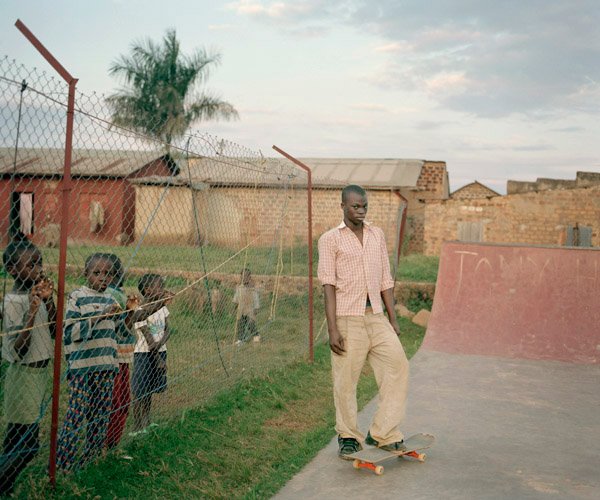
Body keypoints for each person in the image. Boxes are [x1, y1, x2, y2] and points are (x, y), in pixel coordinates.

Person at [317, 184, 409, 459]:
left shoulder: (376, 234)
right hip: (347, 318)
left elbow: (385, 279)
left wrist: (392, 319)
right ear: (343, 206)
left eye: (364, 206)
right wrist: (333, 328)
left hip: (376, 316)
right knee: (346, 380)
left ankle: (383, 432)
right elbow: (328, 285)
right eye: (356, 206)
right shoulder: (330, 239)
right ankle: (348, 436)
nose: (361, 211)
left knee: (398, 366)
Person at [0, 234, 56, 495]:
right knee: (27, 444)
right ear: (12, 269)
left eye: (39, 263)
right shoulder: (13, 302)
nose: (38, 270)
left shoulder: (36, 294)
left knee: (15, 439)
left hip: (39, 374)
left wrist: (48, 301)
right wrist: (32, 310)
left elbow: (55, 331)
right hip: (24, 374)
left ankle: (6, 485)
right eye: (30, 265)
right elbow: (18, 350)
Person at [56, 253, 122, 471]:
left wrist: (130, 313)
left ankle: (90, 459)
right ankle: (63, 463)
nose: (103, 278)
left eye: (108, 274)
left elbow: (121, 330)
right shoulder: (77, 297)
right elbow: (69, 332)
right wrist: (98, 317)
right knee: (76, 414)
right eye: (97, 273)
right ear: (86, 274)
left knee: (100, 414)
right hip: (82, 369)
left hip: (105, 367)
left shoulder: (112, 300)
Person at [104, 254, 138, 448]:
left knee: (119, 397)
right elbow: (124, 326)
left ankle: (111, 436)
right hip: (118, 356)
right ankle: (111, 438)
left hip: (119, 355)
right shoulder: (115, 295)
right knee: (118, 398)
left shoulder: (118, 293)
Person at [131, 274, 170, 433]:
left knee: (149, 390)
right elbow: (147, 337)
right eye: (159, 287)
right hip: (144, 354)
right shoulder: (140, 310)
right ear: (147, 290)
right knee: (140, 390)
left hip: (160, 350)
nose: (162, 290)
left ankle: (146, 420)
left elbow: (168, 329)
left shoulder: (162, 308)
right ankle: (137, 425)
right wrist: (157, 357)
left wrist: (160, 344)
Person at [232, 268, 260, 345]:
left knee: (250, 323)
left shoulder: (252, 289)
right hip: (241, 309)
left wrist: (256, 308)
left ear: (249, 278)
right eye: (242, 276)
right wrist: (235, 307)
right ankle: (241, 338)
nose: (243, 278)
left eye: (246, 276)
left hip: (249, 309)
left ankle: (256, 334)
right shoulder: (239, 288)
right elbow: (236, 299)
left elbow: (256, 299)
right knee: (240, 324)